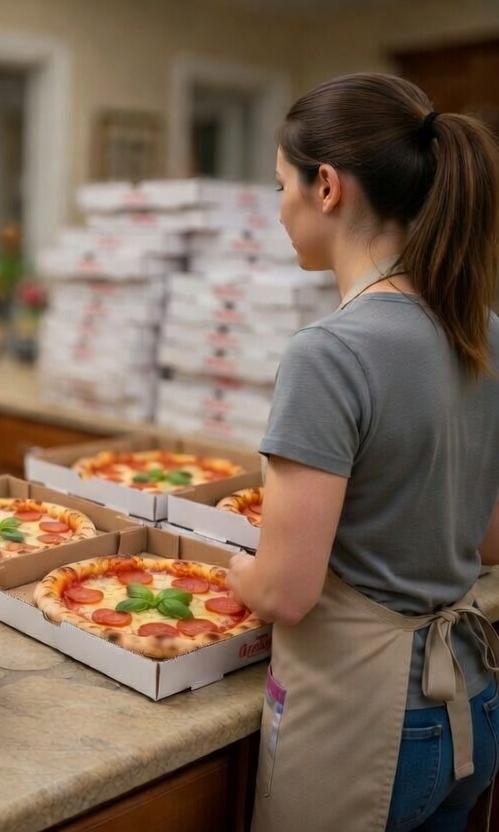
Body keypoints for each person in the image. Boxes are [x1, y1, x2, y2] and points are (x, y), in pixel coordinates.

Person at [225, 72, 499, 832]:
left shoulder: (329, 354)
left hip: (368, 720)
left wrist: (235, 564)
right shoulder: (486, 331)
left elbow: (285, 593)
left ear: (326, 187)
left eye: (280, 183)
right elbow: (486, 541)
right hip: (472, 703)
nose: (278, 206)